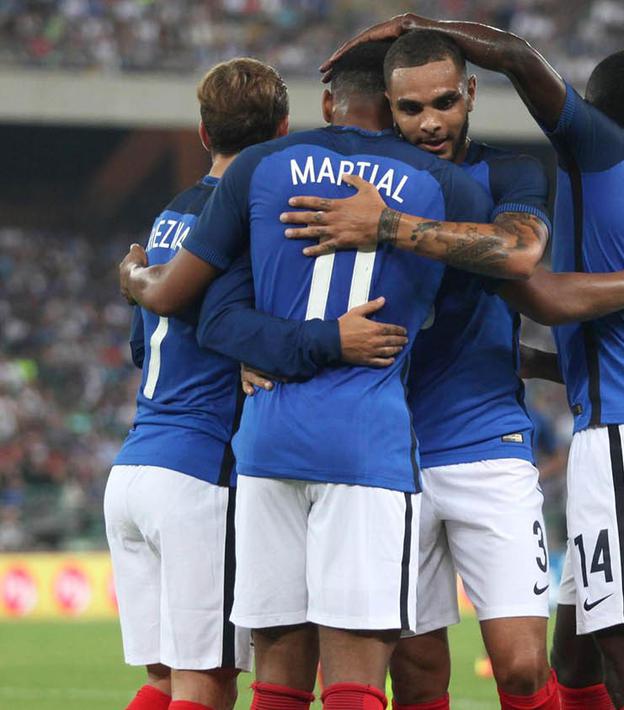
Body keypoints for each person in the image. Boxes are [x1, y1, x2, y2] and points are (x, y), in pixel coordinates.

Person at [198, 31, 624, 710]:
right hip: (388, 455)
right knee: (419, 671)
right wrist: (272, 350)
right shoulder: (353, 181)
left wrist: (390, 226)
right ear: (389, 110)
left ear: (468, 95)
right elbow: (252, 296)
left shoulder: (504, 175)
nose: (428, 122)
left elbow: (520, 256)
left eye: (442, 102)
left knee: (522, 668)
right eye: (409, 109)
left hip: (486, 440)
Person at [119, 39, 507, 710]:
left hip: (266, 446)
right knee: (354, 674)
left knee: (277, 676)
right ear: (391, 106)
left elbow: (214, 320)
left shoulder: (259, 171)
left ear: (326, 104)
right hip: (365, 444)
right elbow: (484, 291)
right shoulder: (448, 186)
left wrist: (132, 274)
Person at [103, 58, 288, 710]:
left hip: (133, 470)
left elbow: (137, 344)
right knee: (206, 683)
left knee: (163, 681)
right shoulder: (255, 221)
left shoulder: (168, 217)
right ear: (284, 131)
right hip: (198, 476)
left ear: (203, 133)